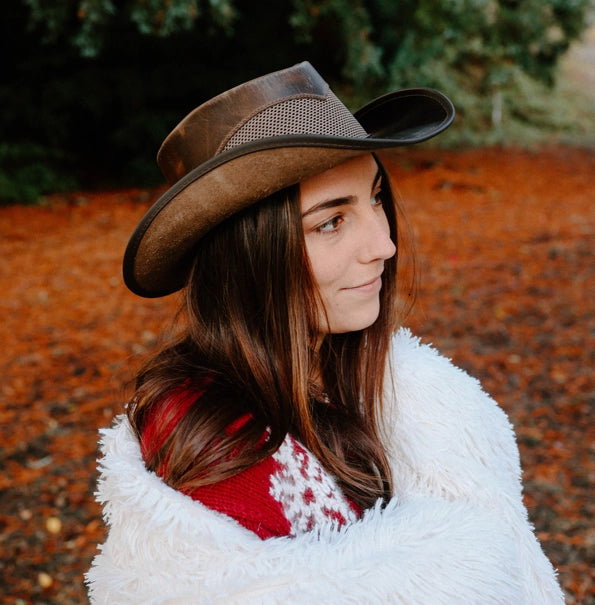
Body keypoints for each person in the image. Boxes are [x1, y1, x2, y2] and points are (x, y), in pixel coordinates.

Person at [86, 62, 563, 603]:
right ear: (249, 255)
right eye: (331, 221)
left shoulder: (375, 381)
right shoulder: (213, 438)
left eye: (375, 197)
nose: (383, 244)